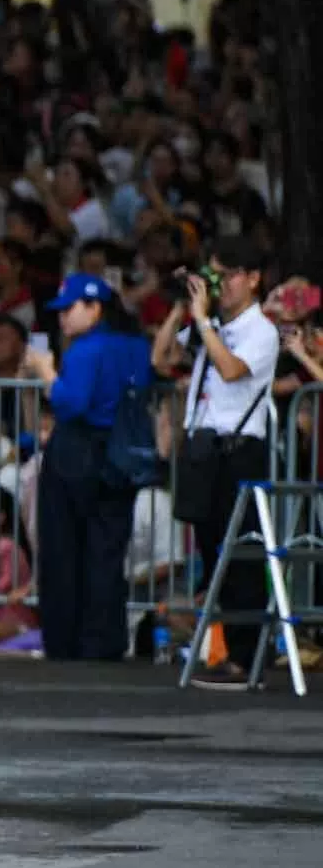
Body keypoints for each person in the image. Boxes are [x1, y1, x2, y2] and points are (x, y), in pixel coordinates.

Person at [155, 238, 276, 686]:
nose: (219, 284)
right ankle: (230, 652)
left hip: (240, 450)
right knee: (213, 553)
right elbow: (162, 358)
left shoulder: (260, 330)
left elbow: (231, 370)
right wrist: (178, 309)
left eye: (228, 275)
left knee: (241, 557)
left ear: (253, 279)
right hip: (206, 451)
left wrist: (204, 321)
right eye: (214, 275)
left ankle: (248, 659)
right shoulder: (213, 325)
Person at [26, 273, 153, 663]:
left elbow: (70, 403)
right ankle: (104, 639)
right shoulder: (134, 345)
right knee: (106, 552)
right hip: (122, 453)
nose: (62, 318)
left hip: (77, 452)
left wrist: (46, 372)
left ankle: (66, 641)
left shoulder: (85, 350)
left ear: (94, 308)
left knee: (65, 549)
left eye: (69, 309)